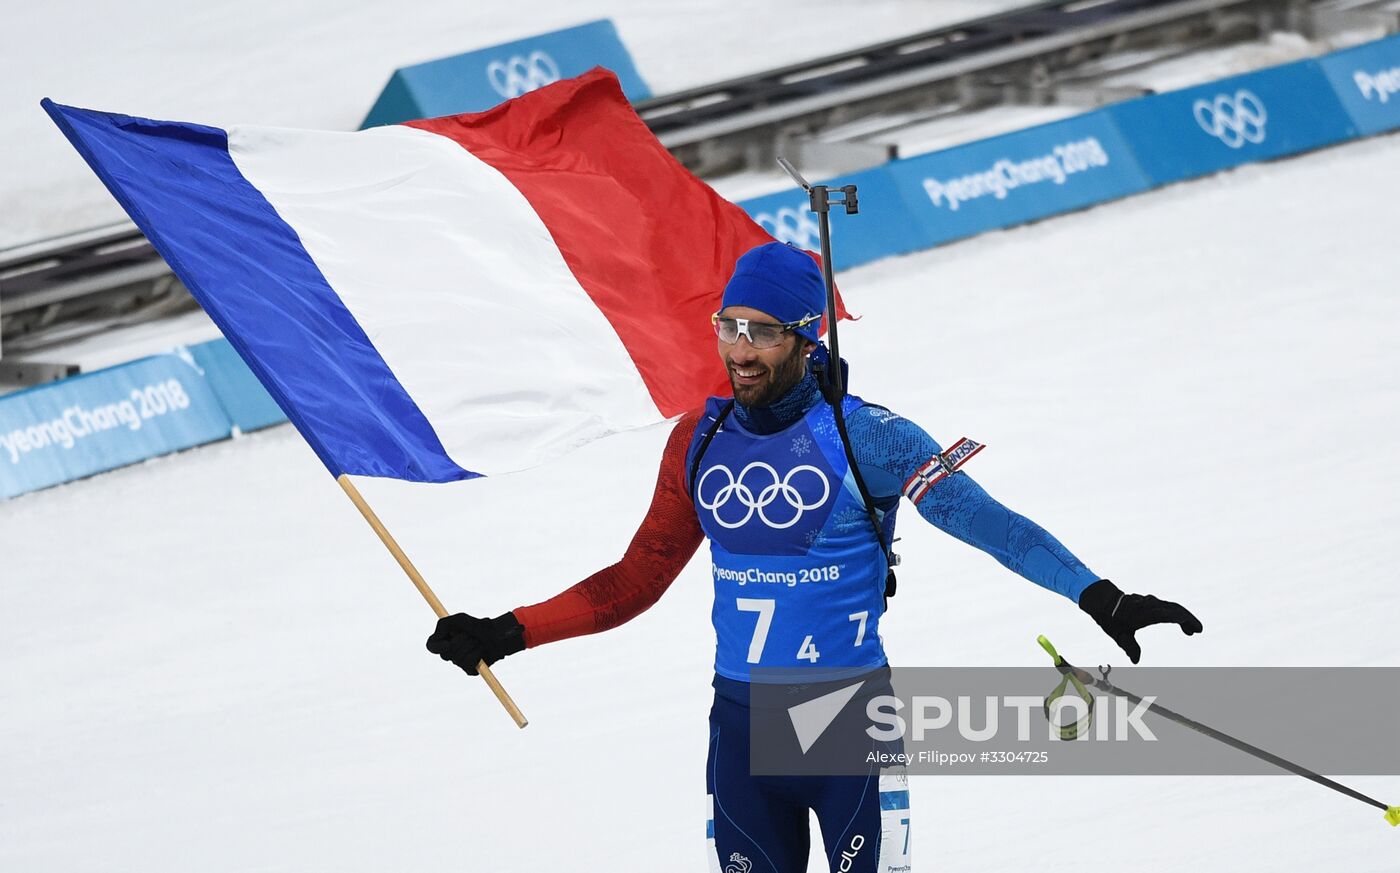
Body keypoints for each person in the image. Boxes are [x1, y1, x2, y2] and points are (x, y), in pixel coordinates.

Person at [427, 242, 1202, 872]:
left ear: (807, 335)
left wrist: (1101, 596)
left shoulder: (871, 437)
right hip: (741, 730)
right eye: (729, 325)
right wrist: (508, 630)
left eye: (763, 331)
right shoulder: (697, 440)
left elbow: (992, 524)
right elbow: (634, 580)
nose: (740, 350)